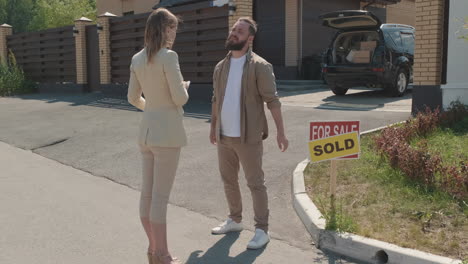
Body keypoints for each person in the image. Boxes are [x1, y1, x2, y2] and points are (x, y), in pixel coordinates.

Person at [209, 17, 289, 250]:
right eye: (233, 29)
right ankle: (235, 220)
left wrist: (280, 132)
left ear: (250, 38)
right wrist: (213, 127)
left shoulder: (260, 66)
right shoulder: (220, 67)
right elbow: (216, 100)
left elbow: (272, 101)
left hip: (248, 137)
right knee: (228, 180)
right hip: (224, 136)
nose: (234, 33)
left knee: (255, 183)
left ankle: (262, 230)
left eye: (240, 31)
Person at [127, 8, 189, 264]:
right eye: (172, 27)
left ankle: (153, 249)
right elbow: (180, 99)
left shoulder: (137, 59)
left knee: (148, 195)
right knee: (159, 198)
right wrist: (184, 87)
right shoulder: (168, 57)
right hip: (167, 135)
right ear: (162, 29)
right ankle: (162, 254)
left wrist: (152, 107)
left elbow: (132, 98)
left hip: (147, 133)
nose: (174, 32)